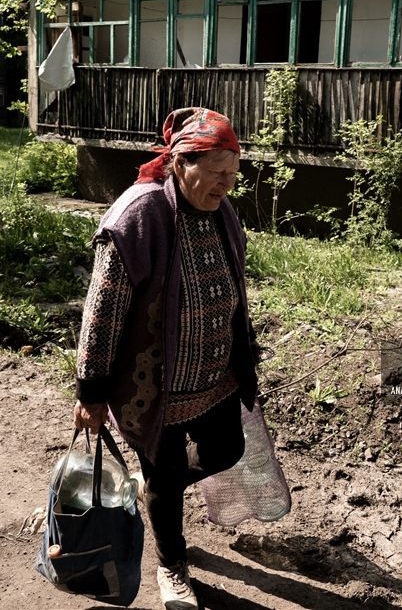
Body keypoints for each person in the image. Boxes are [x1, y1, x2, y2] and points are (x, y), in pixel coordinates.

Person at [71, 107, 260, 610]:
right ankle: (171, 566)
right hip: (153, 386)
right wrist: (91, 391)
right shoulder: (140, 214)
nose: (227, 183)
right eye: (217, 172)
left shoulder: (221, 209)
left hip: (214, 377)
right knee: (168, 478)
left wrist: (244, 351)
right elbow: (103, 312)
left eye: (233, 173)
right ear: (181, 162)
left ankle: (154, 485)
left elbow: (235, 286)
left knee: (225, 451)